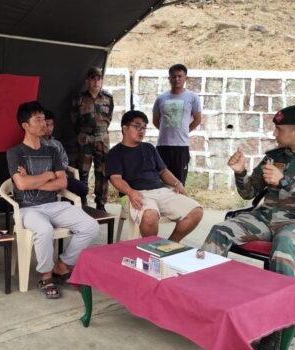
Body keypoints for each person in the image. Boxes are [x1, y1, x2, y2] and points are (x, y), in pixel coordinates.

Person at [202, 104, 295, 350]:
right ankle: (207, 303)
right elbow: (249, 193)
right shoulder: (275, 156)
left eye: (279, 129)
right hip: (265, 218)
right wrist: (241, 172)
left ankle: (275, 331)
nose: (274, 134)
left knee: (284, 244)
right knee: (221, 230)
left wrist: (285, 181)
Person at [7, 101, 99, 299]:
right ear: (25, 125)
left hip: (54, 205)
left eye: (44, 119)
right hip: (28, 209)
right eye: (38, 120)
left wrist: (34, 181)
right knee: (45, 230)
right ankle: (46, 275)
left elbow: (62, 182)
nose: (43, 124)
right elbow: (21, 185)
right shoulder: (15, 153)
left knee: (90, 226)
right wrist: (48, 175)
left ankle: (62, 265)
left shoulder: (52, 151)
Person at [105, 110, 203, 240]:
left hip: (161, 191)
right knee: (150, 216)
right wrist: (131, 192)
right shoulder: (115, 153)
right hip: (135, 194)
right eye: (137, 126)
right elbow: (115, 178)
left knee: (196, 211)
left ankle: (169, 245)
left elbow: (163, 171)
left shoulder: (149, 148)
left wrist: (177, 183)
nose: (142, 131)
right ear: (125, 128)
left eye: (144, 127)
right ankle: (150, 246)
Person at [71, 66, 114, 210]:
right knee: (82, 171)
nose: (96, 82)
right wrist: (84, 133)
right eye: (93, 79)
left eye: (98, 79)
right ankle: (82, 200)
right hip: (85, 138)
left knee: (103, 171)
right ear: (87, 81)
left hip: (102, 138)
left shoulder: (108, 98)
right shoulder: (79, 99)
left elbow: (109, 118)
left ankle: (101, 203)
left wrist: (100, 131)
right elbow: (73, 120)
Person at [152, 63, 202, 185]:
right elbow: (155, 120)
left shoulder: (192, 98)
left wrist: (184, 131)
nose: (177, 79)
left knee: (179, 181)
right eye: (173, 76)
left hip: (181, 146)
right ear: (169, 78)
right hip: (162, 146)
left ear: (186, 78)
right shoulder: (161, 98)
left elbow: (197, 119)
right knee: (160, 180)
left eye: (180, 76)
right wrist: (167, 131)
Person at [42, 109, 89, 201]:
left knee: (83, 189)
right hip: (45, 179)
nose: (50, 128)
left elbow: (65, 160)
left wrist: (58, 170)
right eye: (47, 125)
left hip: (61, 176)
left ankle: (76, 205)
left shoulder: (57, 144)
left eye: (52, 125)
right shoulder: (37, 144)